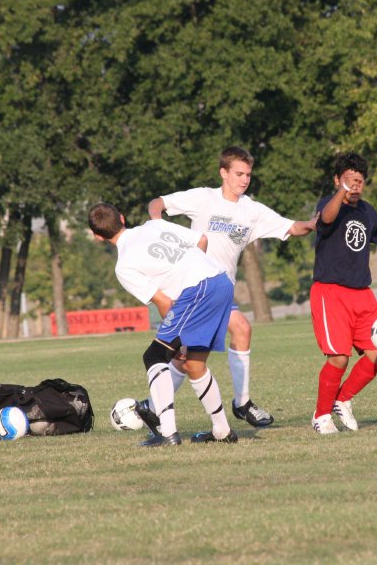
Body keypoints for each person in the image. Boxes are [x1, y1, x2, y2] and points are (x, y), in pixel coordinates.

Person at [147, 146, 317, 427]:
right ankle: (233, 405)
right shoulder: (203, 198)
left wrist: (313, 223)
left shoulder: (252, 210)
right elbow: (158, 202)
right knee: (190, 354)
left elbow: (291, 227)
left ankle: (157, 406)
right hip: (193, 288)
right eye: (239, 173)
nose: (244, 179)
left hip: (220, 292)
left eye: (248, 174)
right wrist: (157, 222)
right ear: (223, 173)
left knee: (194, 352)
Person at [88, 202, 239, 447]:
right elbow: (201, 239)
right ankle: (222, 431)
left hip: (198, 291)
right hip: (221, 282)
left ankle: (167, 433)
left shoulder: (124, 265)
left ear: (97, 236)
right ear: (122, 217)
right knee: (192, 363)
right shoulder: (153, 225)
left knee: (155, 355)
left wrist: (175, 336)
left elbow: (164, 302)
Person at [309, 152, 377, 434]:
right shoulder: (328, 205)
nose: (355, 186)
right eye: (348, 180)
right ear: (337, 180)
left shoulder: (367, 211)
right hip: (330, 291)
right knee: (339, 358)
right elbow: (326, 219)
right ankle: (321, 416)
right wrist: (340, 194)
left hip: (361, 293)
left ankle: (342, 400)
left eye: (359, 181)